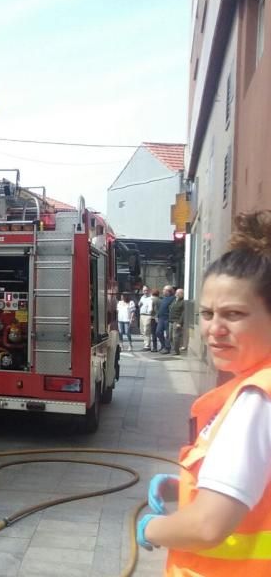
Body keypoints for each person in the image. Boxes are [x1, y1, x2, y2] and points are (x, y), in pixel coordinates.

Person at [137, 211, 271, 575]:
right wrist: (194, 486)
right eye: (208, 313)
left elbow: (207, 526)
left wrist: (152, 528)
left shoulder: (257, 400)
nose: (215, 329)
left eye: (234, 314)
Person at [157, 286, 175, 354]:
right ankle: (163, 345)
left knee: (168, 334)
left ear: (168, 291)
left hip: (167, 318)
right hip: (161, 318)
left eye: (164, 290)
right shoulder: (164, 298)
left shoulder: (173, 298)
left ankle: (167, 348)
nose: (163, 291)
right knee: (158, 332)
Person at [169, 289, 185, 355]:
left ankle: (176, 351)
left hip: (177, 321)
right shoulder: (174, 300)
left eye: (178, 293)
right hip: (171, 321)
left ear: (182, 294)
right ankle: (173, 349)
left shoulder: (183, 302)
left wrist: (180, 322)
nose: (176, 294)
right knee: (170, 336)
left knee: (175, 336)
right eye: (176, 292)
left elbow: (183, 313)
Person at [139, 286, 155, 351]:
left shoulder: (151, 298)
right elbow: (139, 304)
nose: (145, 292)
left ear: (149, 290)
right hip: (141, 315)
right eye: (144, 290)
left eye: (146, 290)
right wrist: (139, 304)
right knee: (142, 330)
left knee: (146, 330)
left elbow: (151, 308)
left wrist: (150, 313)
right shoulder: (142, 297)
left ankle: (147, 345)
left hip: (148, 315)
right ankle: (145, 344)